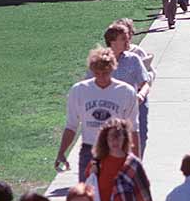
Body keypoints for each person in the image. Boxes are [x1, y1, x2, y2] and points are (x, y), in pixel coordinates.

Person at [56, 47, 140, 182]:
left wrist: (136, 162)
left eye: (105, 72)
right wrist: (61, 152)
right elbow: (71, 125)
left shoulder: (126, 92)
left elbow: (133, 129)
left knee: (116, 195)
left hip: (116, 150)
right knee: (88, 196)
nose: (101, 76)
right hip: (90, 150)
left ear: (113, 69)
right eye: (97, 73)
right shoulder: (79, 91)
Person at [84, 117, 156, 201]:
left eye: (118, 137)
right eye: (111, 137)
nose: (114, 141)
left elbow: (143, 192)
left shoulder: (133, 164)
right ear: (105, 139)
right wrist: (92, 170)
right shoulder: (98, 161)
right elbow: (88, 186)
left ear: (125, 138)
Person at [100, 23, 152, 148]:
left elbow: (145, 83)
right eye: (123, 38)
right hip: (110, 108)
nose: (128, 40)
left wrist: (140, 95)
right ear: (112, 41)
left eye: (128, 37)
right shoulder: (101, 60)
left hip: (135, 106)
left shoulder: (133, 59)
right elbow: (90, 84)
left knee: (139, 139)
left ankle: (135, 165)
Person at [115, 18, 154, 154]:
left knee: (140, 135)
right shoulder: (109, 55)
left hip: (138, 100)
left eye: (127, 35)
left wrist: (141, 92)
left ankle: (137, 163)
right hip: (117, 101)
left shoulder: (137, 53)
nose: (126, 38)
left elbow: (150, 75)